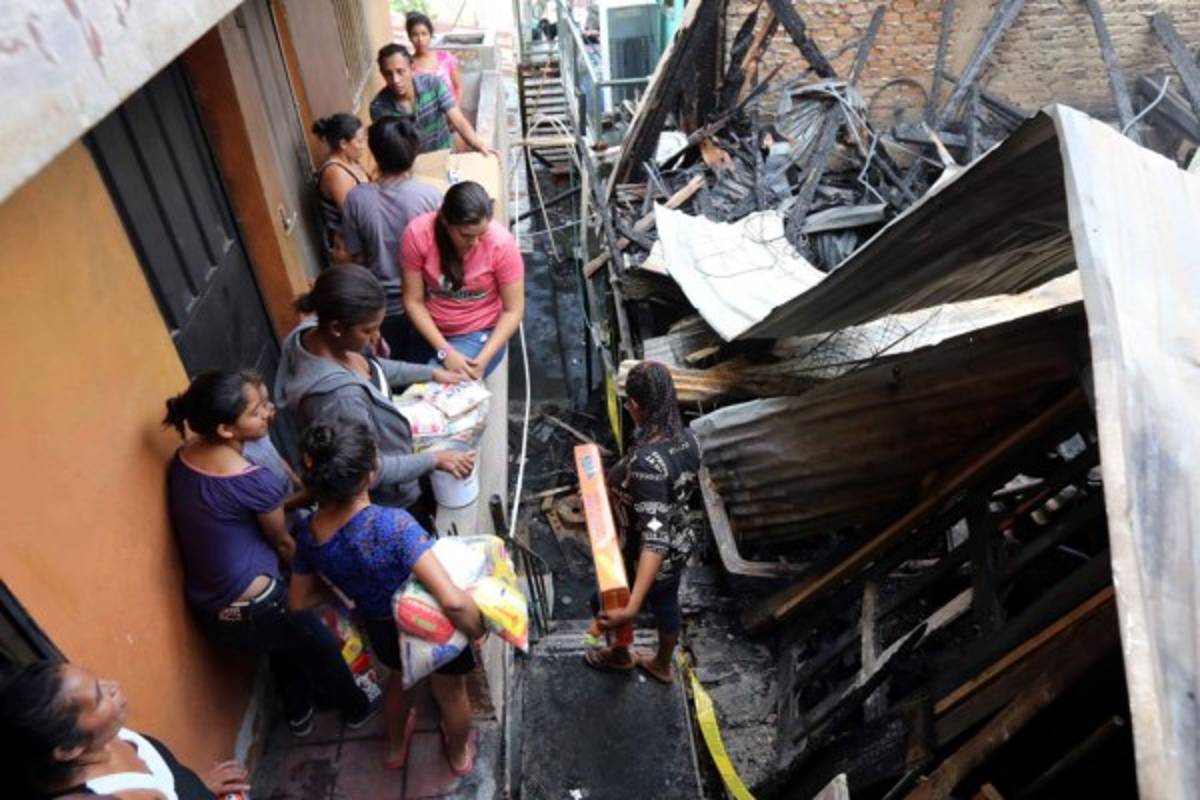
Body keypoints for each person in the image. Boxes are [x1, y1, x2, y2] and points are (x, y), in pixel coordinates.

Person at [164, 370, 373, 735]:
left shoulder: (185, 456)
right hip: (258, 600)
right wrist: (319, 585)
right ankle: (356, 709)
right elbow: (283, 542)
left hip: (211, 602)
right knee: (319, 646)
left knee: (280, 646)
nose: (269, 412)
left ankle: (298, 713)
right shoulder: (253, 479)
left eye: (264, 403)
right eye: (257, 410)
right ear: (227, 430)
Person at [288, 420, 485, 774]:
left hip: (379, 626)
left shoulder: (307, 531)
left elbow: (299, 600)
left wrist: (345, 588)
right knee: (451, 692)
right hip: (430, 622)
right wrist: (475, 625)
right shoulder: (392, 525)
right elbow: (453, 602)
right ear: (369, 475)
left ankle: (394, 749)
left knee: (400, 679)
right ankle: (458, 755)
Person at [273, 266, 474, 528]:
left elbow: (372, 367)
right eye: (368, 331)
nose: (376, 338)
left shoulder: (312, 333)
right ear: (336, 327)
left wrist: (432, 374)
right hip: (389, 503)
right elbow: (368, 469)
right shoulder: (338, 399)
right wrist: (435, 459)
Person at [585, 362, 702, 684]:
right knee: (667, 602)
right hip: (680, 543)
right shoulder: (690, 439)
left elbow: (654, 537)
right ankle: (662, 665)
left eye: (628, 403)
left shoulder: (646, 464)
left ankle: (621, 655)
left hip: (644, 556)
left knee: (604, 602)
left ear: (636, 406)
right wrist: (612, 463)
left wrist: (632, 606)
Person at [0, 660, 250, 798]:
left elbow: (163, 780)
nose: (113, 686)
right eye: (98, 697)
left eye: (97, 681)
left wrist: (193, 787)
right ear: (68, 749)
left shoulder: (99, 737)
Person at [401, 181, 525, 379]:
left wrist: (483, 360)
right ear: (445, 222)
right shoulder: (418, 235)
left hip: (478, 331)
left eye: (481, 234)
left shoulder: (502, 245)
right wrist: (445, 351)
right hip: (431, 328)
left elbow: (513, 310)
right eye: (466, 236)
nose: (475, 243)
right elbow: (413, 300)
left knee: (437, 389)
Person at [341, 117, 442, 358]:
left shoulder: (356, 199)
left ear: (374, 153)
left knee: (391, 372)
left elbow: (355, 256)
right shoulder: (430, 197)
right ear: (413, 153)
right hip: (426, 304)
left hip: (379, 308)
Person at [369, 43, 496, 156]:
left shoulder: (433, 84)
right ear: (381, 73)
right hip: (413, 168)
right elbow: (392, 149)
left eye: (400, 71)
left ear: (411, 67)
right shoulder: (379, 108)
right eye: (388, 74)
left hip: (445, 155)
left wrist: (480, 146)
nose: (395, 80)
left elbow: (459, 121)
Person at [312, 113, 370, 264]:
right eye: (359, 141)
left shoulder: (352, 161)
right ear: (343, 144)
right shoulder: (336, 173)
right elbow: (351, 216)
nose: (364, 145)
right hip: (348, 248)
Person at [406, 12, 462, 105]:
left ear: (430, 34)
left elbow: (458, 87)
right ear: (410, 37)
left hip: (452, 115)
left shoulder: (445, 58)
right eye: (415, 35)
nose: (420, 39)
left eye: (424, 34)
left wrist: (456, 111)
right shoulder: (408, 66)